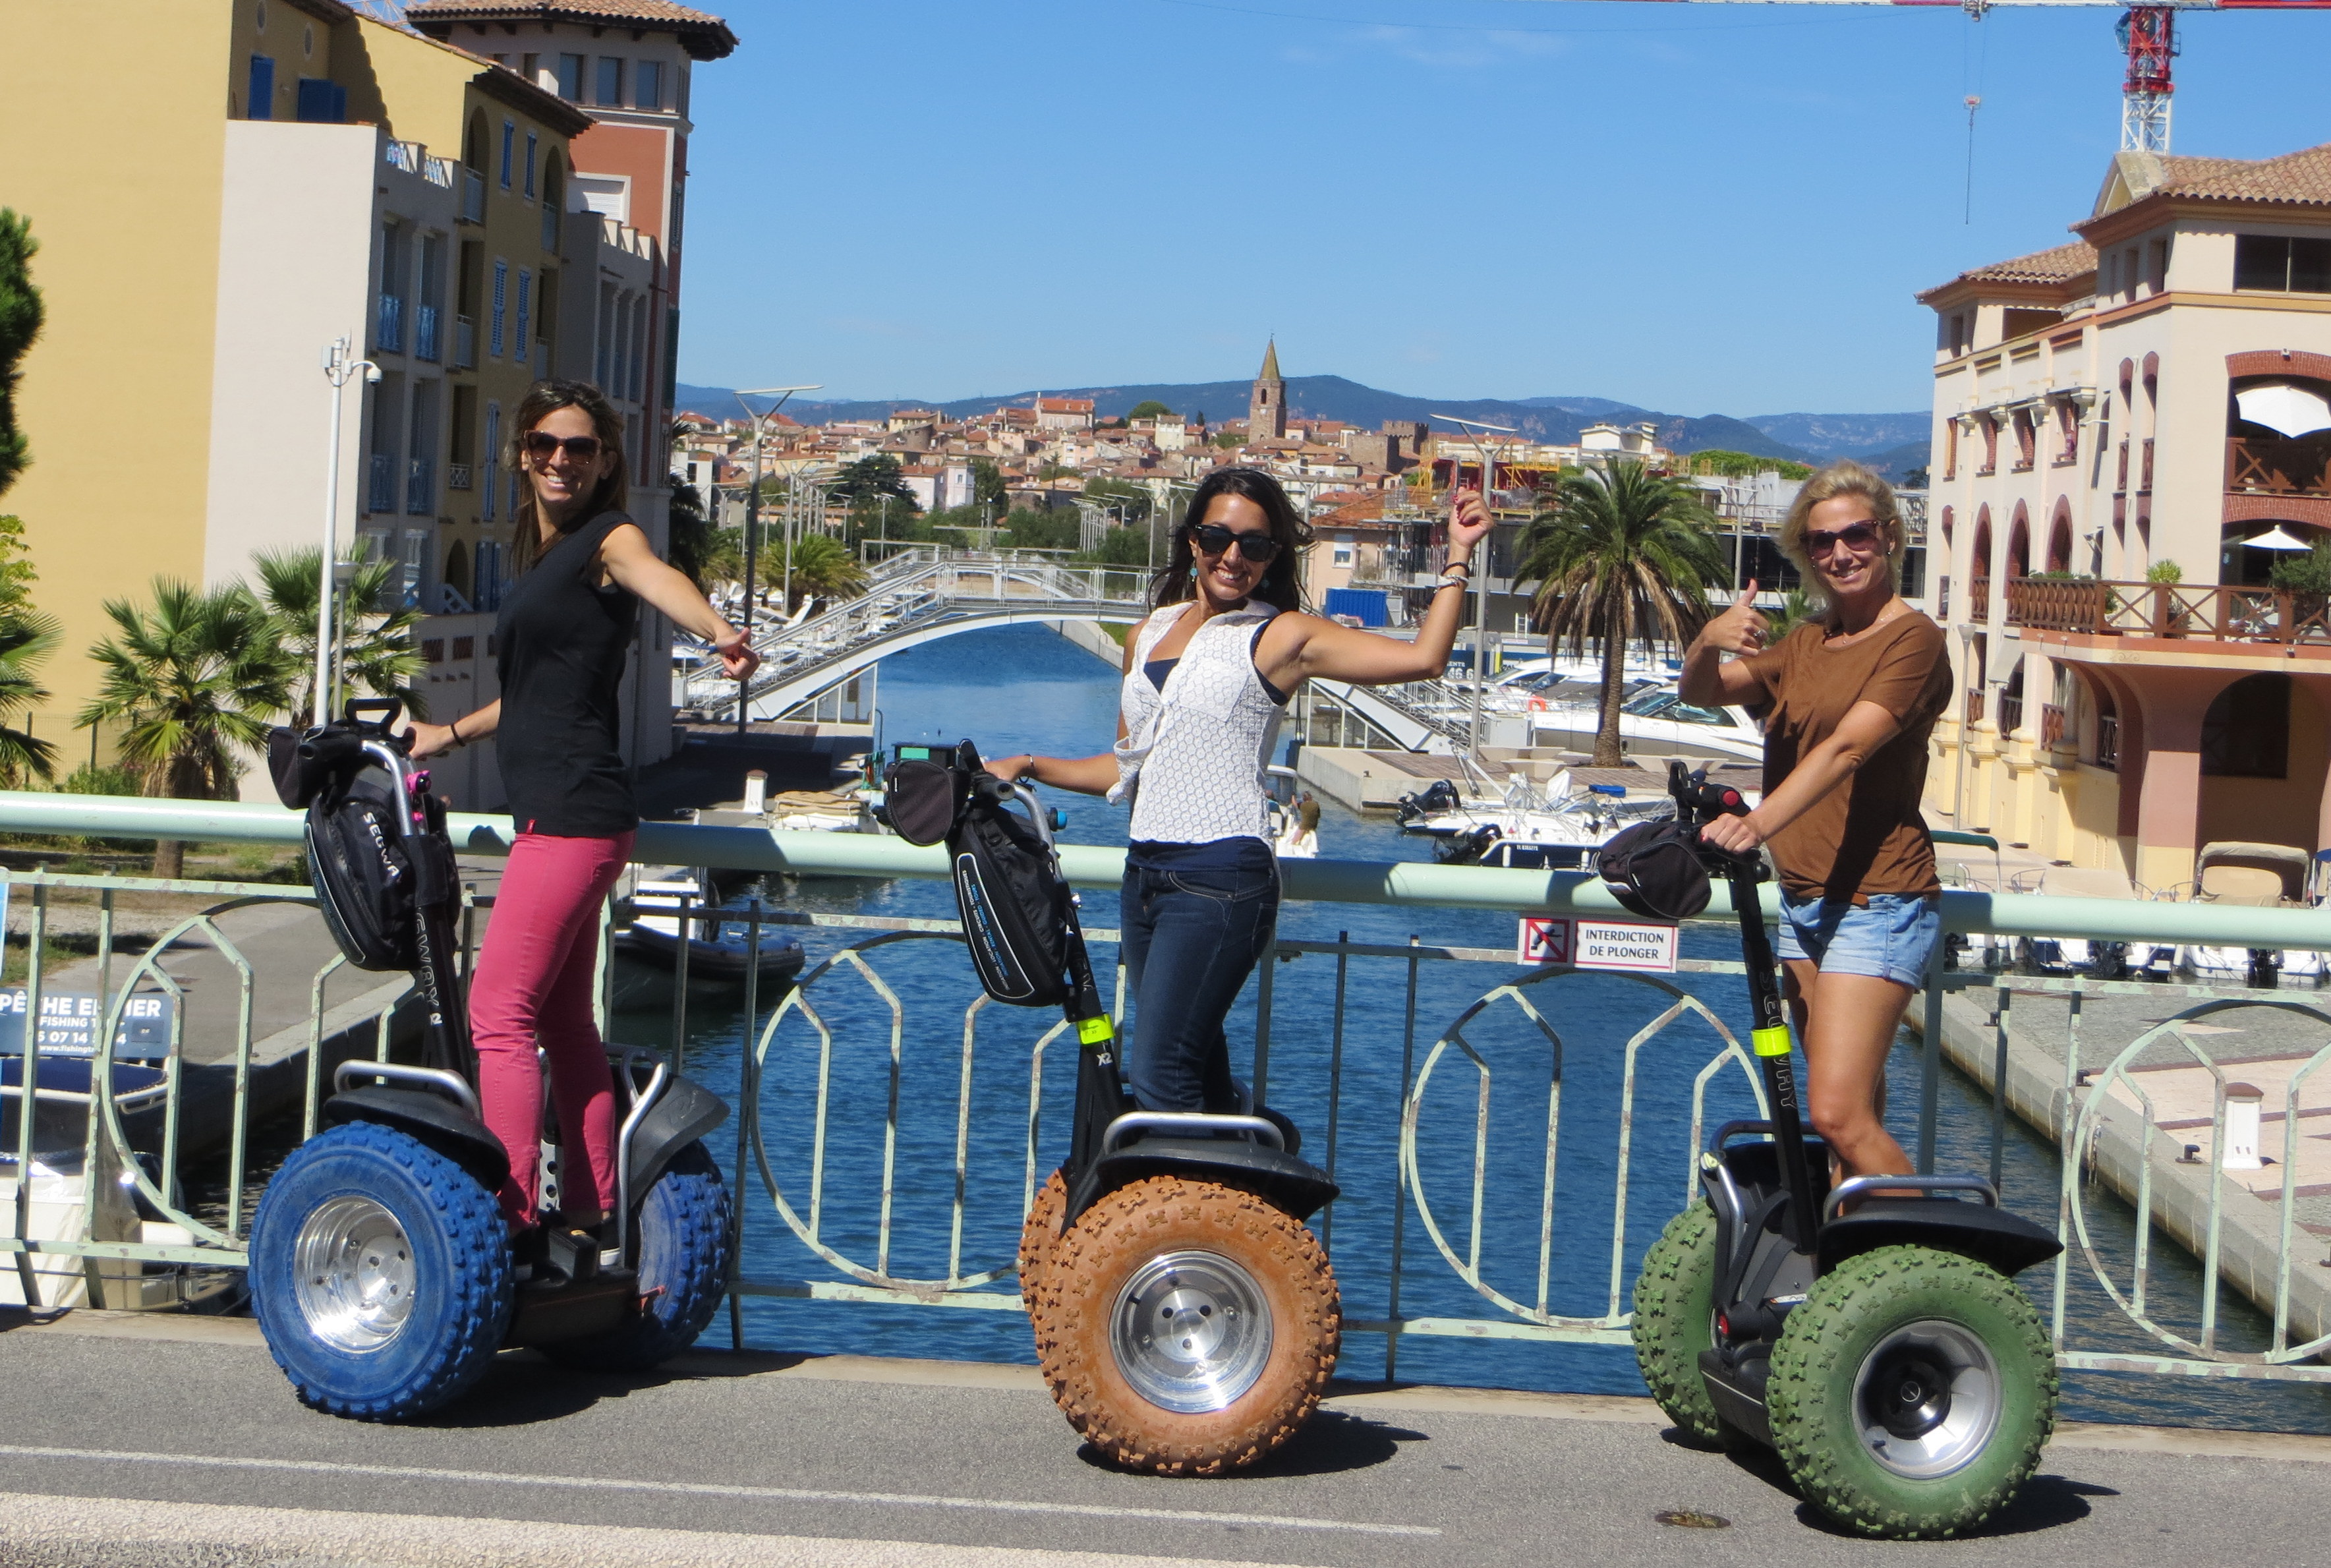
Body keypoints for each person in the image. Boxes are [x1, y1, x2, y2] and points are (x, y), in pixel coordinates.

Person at [984, 467, 1491, 1113]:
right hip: (1145, 875)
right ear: (1192, 541)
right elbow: (1123, 769)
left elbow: (1423, 659)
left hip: (1221, 878)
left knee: (1159, 1073)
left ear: (1272, 556)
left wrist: (1458, 557)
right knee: (1195, 1075)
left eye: (1254, 545)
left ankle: (1181, 1210)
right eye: (1218, 537)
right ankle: (1258, 1178)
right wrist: (1026, 764)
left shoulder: (1281, 636)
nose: (1233, 556)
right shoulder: (1146, 636)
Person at [407, 381, 757, 1244]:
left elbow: (656, 575)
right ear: (522, 454)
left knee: (496, 1012)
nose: (560, 460)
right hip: (572, 813)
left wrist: (719, 631)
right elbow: (531, 696)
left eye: (579, 448)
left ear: (605, 462)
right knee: (563, 1022)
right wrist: (443, 731)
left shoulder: (610, 538)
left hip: (571, 815)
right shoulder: (546, 557)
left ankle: (511, 1217)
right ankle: (594, 1210)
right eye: (543, 445)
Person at [1678, 459, 1951, 1185]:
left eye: (1856, 535)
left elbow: (1851, 747)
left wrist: (1758, 824)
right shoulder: (1805, 643)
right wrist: (1710, 637)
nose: (1841, 554)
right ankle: (1856, 1269)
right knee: (1848, 1120)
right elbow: (1706, 691)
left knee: (1837, 1115)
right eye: (1822, 542)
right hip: (1803, 903)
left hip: (1877, 901)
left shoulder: (1913, 641)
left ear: (1890, 537)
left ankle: (1936, 1270)